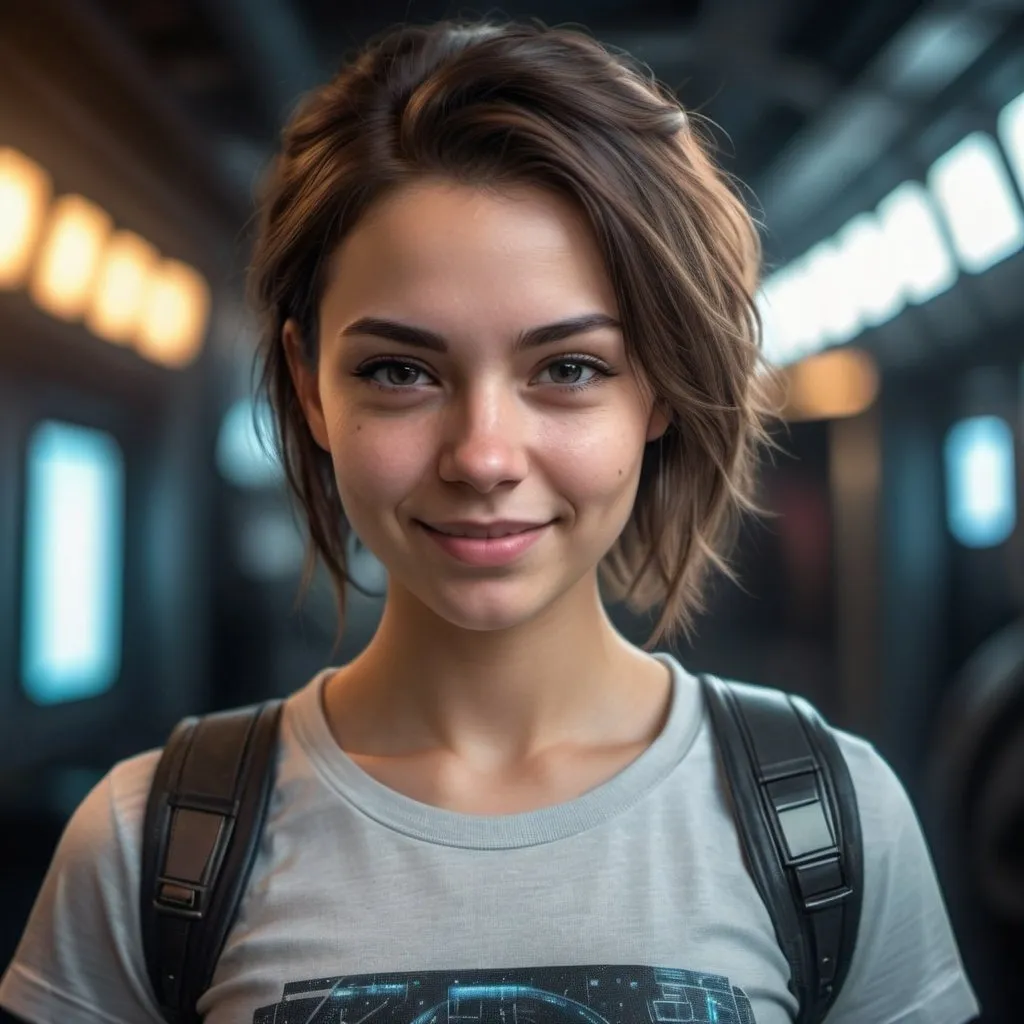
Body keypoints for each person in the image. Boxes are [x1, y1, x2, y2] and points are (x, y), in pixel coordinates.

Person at [0, 18, 978, 1024]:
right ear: (308, 388)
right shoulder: (146, 846)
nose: (482, 455)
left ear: (660, 390)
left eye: (567, 369)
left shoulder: (829, 822)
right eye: (401, 371)